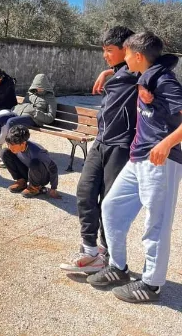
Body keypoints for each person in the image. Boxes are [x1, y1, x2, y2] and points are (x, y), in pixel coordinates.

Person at [88, 31, 182, 303]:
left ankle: (151, 284)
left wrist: (165, 145)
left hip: (161, 160)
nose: (123, 58)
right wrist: (108, 73)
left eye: (126, 53)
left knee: (156, 223)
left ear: (138, 56)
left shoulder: (165, 81)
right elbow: (134, 69)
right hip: (138, 157)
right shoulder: (146, 74)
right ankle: (118, 267)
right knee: (111, 207)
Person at [60, 26, 137, 273]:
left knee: (110, 203)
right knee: (84, 192)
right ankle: (90, 250)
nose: (105, 55)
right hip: (101, 141)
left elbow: (161, 62)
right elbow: (119, 70)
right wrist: (108, 71)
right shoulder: (118, 72)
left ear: (127, 50)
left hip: (122, 146)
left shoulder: (142, 73)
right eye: (103, 50)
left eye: (109, 51)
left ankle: (110, 256)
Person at [0, 73, 57, 162]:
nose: (38, 89)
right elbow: (24, 105)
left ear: (46, 86)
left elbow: (51, 117)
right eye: (37, 86)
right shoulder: (30, 94)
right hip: (19, 114)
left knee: (11, 122)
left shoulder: (50, 98)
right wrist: (16, 108)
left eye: (41, 87)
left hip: (33, 119)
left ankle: (11, 154)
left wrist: (36, 112)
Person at [1, 125, 61, 198]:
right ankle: (22, 180)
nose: (10, 147)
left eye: (12, 145)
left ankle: (35, 187)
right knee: (5, 152)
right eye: (8, 144)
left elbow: (53, 167)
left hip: (41, 175)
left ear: (23, 143)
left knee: (35, 162)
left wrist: (53, 188)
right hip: (29, 170)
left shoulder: (38, 152)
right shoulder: (15, 147)